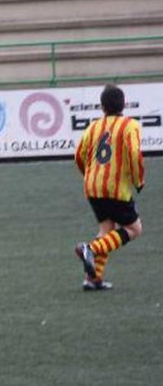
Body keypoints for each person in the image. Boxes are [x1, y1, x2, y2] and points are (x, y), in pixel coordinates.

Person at [73, 84, 146, 291]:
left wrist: (89, 176)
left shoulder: (93, 126)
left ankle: (92, 279)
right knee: (134, 228)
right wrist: (139, 180)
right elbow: (134, 153)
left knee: (107, 230)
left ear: (102, 107)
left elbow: (79, 155)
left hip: (92, 186)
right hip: (115, 188)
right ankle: (90, 249)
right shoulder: (130, 125)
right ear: (123, 105)